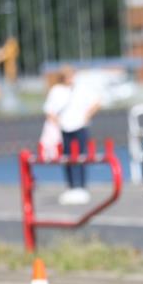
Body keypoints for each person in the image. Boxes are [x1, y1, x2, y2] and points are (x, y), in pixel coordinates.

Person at [43, 65, 101, 205]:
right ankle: (71, 186)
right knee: (67, 157)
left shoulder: (81, 89)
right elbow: (49, 110)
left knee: (81, 156)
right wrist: (57, 123)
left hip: (80, 126)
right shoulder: (56, 90)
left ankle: (81, 186)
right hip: (64, 128)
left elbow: (97, 102)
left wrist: (87, 116)